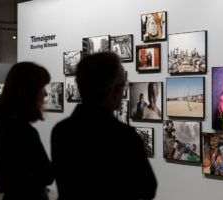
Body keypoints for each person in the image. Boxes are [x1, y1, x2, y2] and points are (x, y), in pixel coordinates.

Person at [51, 52, 157, 199]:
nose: (123, 91)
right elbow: (147, 188)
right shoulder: (123, 137)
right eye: (122, 86)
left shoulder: (61, 131)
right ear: (112, 93)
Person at [0, 62, 53, 200]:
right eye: (42, 87)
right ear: (30, 91)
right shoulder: (25, 132)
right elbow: (46, 176)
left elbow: (2, 183)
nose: (45, 93)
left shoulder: (2, 125)